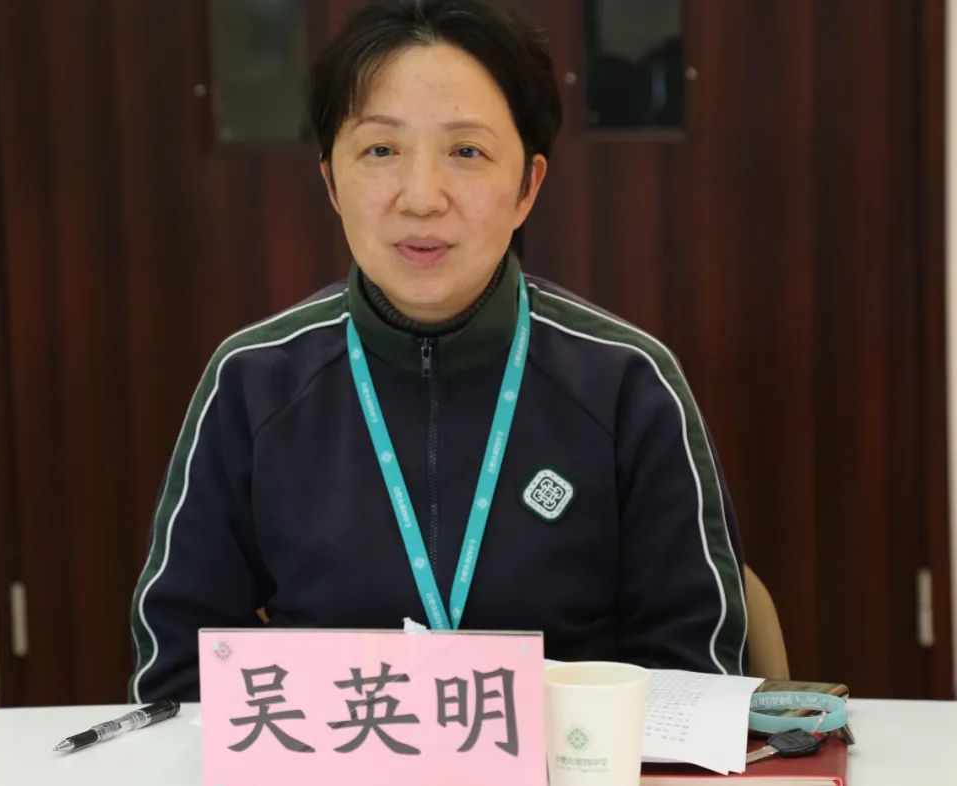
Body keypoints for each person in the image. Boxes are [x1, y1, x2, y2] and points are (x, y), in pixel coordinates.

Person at [129, 0, 747, 703]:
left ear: (528, 187)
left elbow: (698, 680)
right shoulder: (252, 382)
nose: (421, 198)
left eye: (467, 151)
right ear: (331, 182)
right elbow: (175, 677)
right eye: (381, 150)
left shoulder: (628, 385)